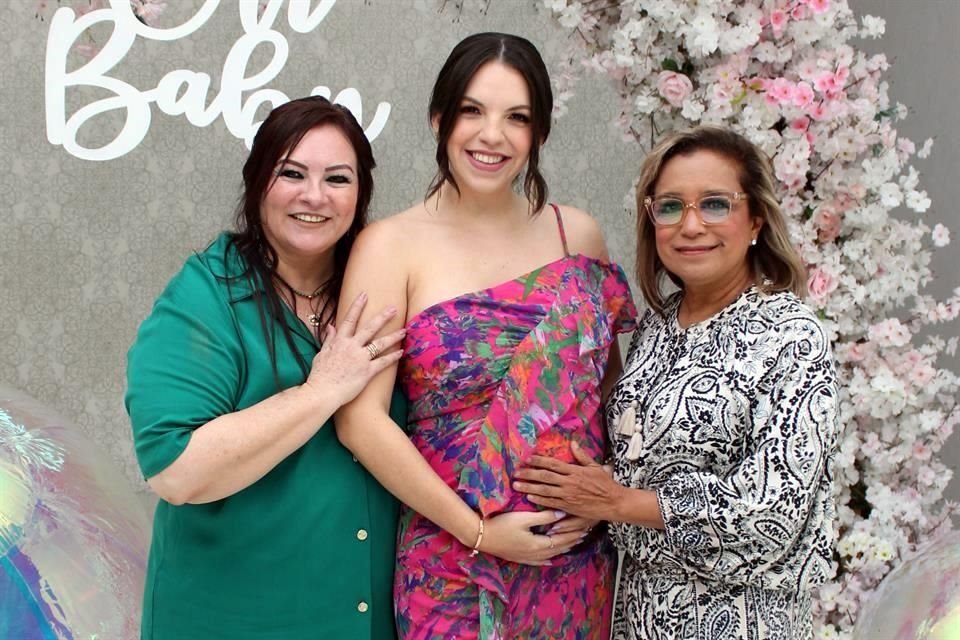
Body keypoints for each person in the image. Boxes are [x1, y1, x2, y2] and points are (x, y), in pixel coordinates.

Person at [335, 32, 636, 639]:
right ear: (439, 118)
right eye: (472, 110)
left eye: (516, 118)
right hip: (453, 560)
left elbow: (611, 395)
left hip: (574, 562)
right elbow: (360, 422)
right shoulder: (390, 246)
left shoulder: (575, 236)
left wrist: (603, 489)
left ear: (540, 134)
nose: (491, 135)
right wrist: (479, 532)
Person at [515, 126, 839, 640]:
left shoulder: (791, 336)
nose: (691, 226)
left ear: (755, 217)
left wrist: (617, 502)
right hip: (637, 615)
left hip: (742, 623)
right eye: (669, 207)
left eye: (715, 204)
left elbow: (771, 513)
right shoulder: (655, 329)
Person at [125, 96, 407, 640]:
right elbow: (177, 470)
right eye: (292, 173)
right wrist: (321, 391)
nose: (314, 196)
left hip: (363, 619)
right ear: (258, 183)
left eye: (338, 179)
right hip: (232, 620)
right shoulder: (207, 296)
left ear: (361, 195)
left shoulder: (380, 287)